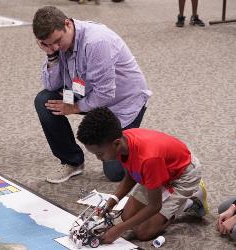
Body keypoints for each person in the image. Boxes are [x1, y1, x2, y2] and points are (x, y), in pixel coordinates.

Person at [32, 6, 151, 184]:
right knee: (44, 100)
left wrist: (74, 107)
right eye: (48, 45)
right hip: (86, 92)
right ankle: (72, 161)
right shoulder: (56, 45)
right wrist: (51, 56)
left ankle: (141, 142)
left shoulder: (96, 41)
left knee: (114, 173)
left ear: (67, 24)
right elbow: (51, 85)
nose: (56, 47)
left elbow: (105, 93)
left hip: (121, 102)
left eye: (57, 41)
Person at [76, 107, 209, 243]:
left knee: (143, 232)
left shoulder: (147, 159)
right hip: (160, 170)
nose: (99, 158)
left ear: (116, 144)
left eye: (100, 154)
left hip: (183, 175)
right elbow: (132, 174)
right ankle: (173, 202)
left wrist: (118, 230)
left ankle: (190, 200)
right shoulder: (123, 142)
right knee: (127, 216)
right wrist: (114, 199)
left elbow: (154, 206)